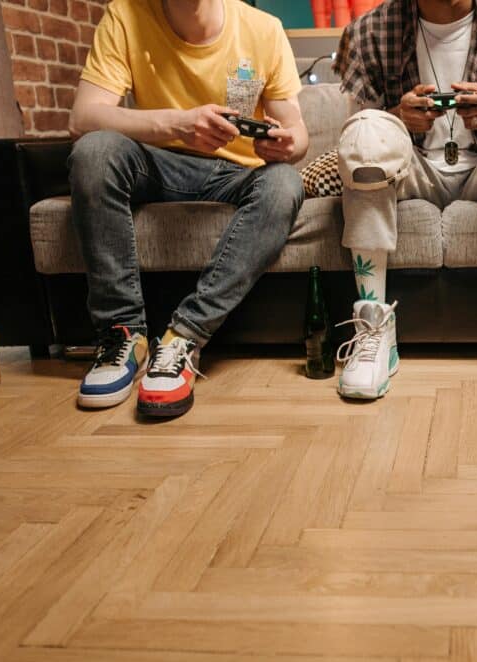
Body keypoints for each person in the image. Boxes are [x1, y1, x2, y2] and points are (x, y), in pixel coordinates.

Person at [68, 0, 308, 417]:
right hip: (156, 164)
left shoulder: (264, 29)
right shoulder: (125, 16)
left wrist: (290, 143)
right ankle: (123, 333)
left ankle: (183, 338)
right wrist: (177, 124)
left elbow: (298, 131)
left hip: (237, 172)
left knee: (284, 182)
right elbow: (84, 117)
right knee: (93, 153)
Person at [332, 0, 477, 401]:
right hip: (412, 170)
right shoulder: (369, 31)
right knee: (368, 131)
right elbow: (356, 134)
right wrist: (396, 116)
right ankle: (372, 327)